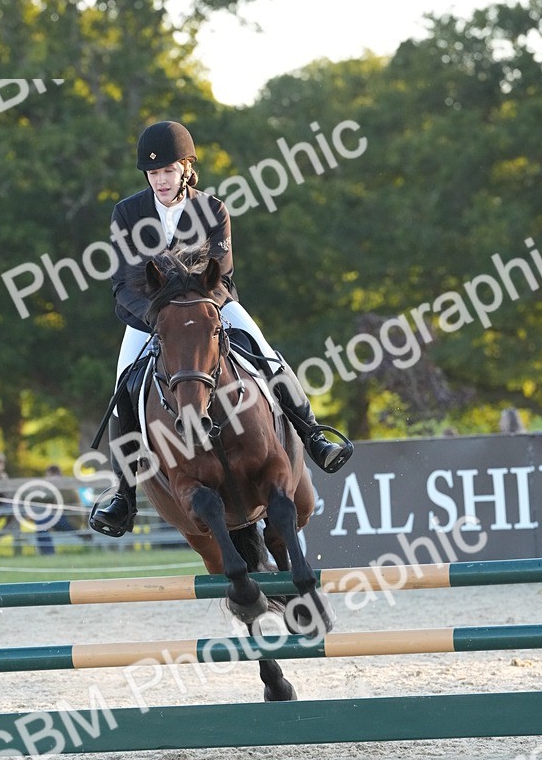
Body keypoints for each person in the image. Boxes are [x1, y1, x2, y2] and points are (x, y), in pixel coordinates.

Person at [89, 119, 353, 537]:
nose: (160, 180)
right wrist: (160, 318)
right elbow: (124, 284)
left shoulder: (212, 210)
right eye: (153, 173)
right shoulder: (127, 213)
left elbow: (221, 276)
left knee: (267, 355)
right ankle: (124, 494)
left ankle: (314, 436)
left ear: (186, 168)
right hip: (149, 317)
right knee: (124, 386)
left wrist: (198, 313)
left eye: (168, 171)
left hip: (212, 308)